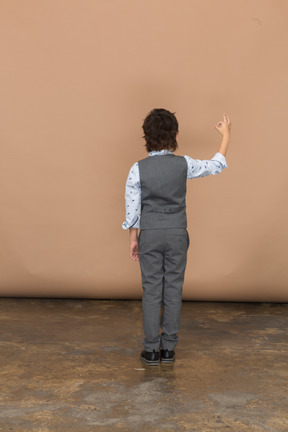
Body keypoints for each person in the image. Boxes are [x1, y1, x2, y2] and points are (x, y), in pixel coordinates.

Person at [122, 108, 231, 365]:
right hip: (177, 234)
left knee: (151, 291)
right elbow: (215, 165)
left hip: (149, 233)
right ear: (176, 135)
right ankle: (168, 349)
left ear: (146, 136)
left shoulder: (137, 169)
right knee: (173, 289)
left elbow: (132, 209)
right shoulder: (184, 164)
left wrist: (133, 239)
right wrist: (226, 135)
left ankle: (150, 350)